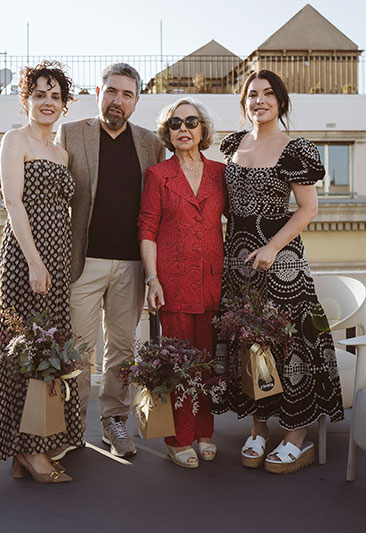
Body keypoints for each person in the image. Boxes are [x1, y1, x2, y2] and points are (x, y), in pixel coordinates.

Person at [213, 70, 344, 474]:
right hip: (238, 266)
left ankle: (296, 435)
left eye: (268, 94)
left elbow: (309, 208)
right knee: (249, 345)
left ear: (281, 102)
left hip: (282, 263)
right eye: (252, 94)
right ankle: (259, 427)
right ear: (244, 103)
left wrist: (272, 247)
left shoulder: (295, 149)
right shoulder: (234, 145)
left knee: (289, 346)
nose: (260, 100)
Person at [56, 64, 166, 457]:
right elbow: (50, 177)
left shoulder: (151, 143)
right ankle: (70, 426)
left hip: (132, 265)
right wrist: (10, 172)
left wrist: (155, 273)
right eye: (112, 91)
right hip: (83, 262)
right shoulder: (71, 133)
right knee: (78, 349)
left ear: (136, 102)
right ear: (98, 93)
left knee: (121, 350)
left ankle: (114, 421)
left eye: (127, 95)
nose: (118, 100)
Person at [0, 61, 82, 483]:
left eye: (55, 96)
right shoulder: (15, 140)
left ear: (64, 105)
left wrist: (52, 263)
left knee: (48, 354)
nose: (48, 102)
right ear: (25, 100)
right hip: (26, 260)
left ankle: (32, 448)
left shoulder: (62, 153)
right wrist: (34, 261)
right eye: (40, 94)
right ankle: (29, 452)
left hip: (57, 262)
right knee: (24, 353)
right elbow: (12, 202)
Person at [137, 98, 226, 468]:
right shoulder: (158, 175)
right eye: (175, 124)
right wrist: (152, 279)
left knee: (206, 361)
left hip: (212, 282)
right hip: (172, 282)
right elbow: (147, 229)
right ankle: (179, 439)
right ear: (167, 132)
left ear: (203, 129)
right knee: (180, 362)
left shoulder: (220, 173)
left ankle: (205, 432)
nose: (183, 129)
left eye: (191, 121)